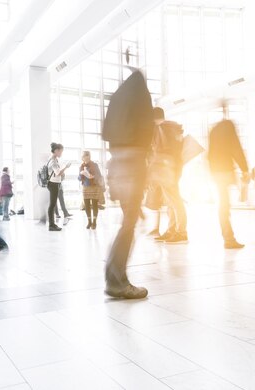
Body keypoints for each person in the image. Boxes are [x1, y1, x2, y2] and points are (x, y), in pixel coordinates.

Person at [102, 69, 153, 299]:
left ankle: (115, 275)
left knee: (128, 221)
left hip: (115, 162)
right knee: (129, 223)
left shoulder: (117, 98)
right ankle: (116, 279)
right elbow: (147, 128)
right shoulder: (141, 95)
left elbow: (106, 130)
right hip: (133, 161)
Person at [208, 119, 249, 249]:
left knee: (223, 204)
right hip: (225, 170)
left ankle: (228, 237)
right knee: (225, 205)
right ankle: (229, 239)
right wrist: (244, 168)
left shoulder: (213, 130)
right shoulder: (229, 126)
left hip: (215, 171)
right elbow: (236, 147)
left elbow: (209, 154)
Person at [149, 107, 188, 244]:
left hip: (166, 169)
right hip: (175, 167)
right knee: (171, 200)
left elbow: (160, 150)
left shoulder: (161, 128)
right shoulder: (174, 127)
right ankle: (172, 230)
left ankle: (181, 232)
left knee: (174, 200)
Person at [47, 143, 71, 231]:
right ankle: (51, 225)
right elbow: (58, 173)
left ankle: (52, 224)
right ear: (56, 151)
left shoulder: (53, 159)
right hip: (53, 184)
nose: (61, 153)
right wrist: (66, 167)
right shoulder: (53, 160)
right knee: (52, 205)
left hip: (53, 183)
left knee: (52, 205)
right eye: (61, 151)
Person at [78, 151, 103, 229]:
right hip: (85, 187)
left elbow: (99, 175)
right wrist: (81, 174)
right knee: (87, 205)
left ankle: (94, 222)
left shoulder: (95, 165)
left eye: (88, 156)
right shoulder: (81, 167)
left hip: (94, 186)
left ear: (90, 156)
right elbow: (78, 178)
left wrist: (93, 177)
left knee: (95, 205)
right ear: (82, 158)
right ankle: (89, 222)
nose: (87, 157)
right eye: (85, 156)